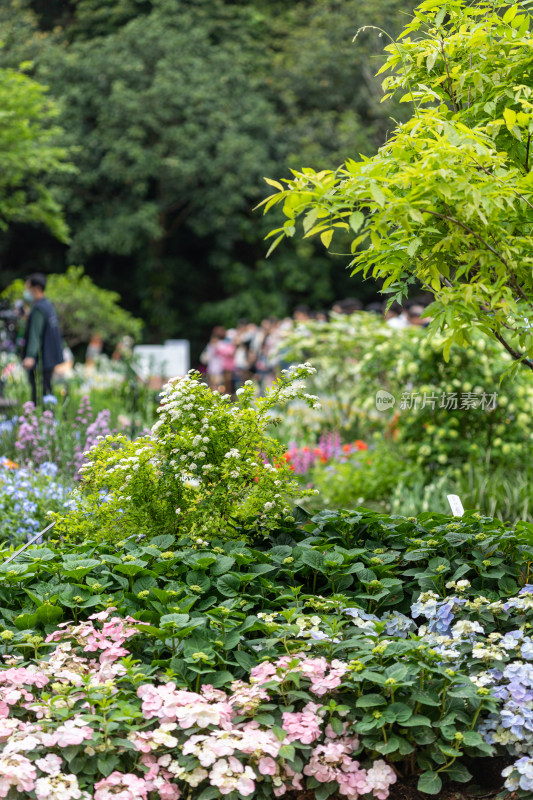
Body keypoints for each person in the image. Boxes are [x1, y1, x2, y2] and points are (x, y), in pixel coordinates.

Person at [21, 273, 64, 405]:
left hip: (41, 360)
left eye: (28, 288)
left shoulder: (38, 308)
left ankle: (43, 420)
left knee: (39, 393)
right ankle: (51, 419)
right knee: (47, 390)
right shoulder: (47, 305)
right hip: (51, 357)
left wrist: (30, 356)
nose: (27, 292)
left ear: (37, 288)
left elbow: (36, 333)